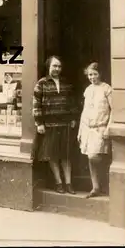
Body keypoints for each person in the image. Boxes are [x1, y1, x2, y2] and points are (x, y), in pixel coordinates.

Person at [32, 56, 78, 194]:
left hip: (65, 124)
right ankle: (59, 183)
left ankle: (68, 183)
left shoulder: (66, 83)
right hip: (50, 125)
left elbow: (72, 102)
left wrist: (73, 118)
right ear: (49, 67)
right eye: (54, 66)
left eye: (59, 66)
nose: (57, 69)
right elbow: (36, 104)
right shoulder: (41, 83)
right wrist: (39, 123)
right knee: (53, 155)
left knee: (66, 155)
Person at [78, 62, 112, 198]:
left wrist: (108, 128)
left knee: (95, 156)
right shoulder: (88, 90)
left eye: (94, 74)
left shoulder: (107, 89)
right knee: (90, 157)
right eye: (90, 74)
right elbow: (84, 111)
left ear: (100, 74)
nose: (92, 77)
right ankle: (95, 187)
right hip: (87, 128)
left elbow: (114, 109)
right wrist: (80, 131)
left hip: (101, 128)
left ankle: (103, 185)